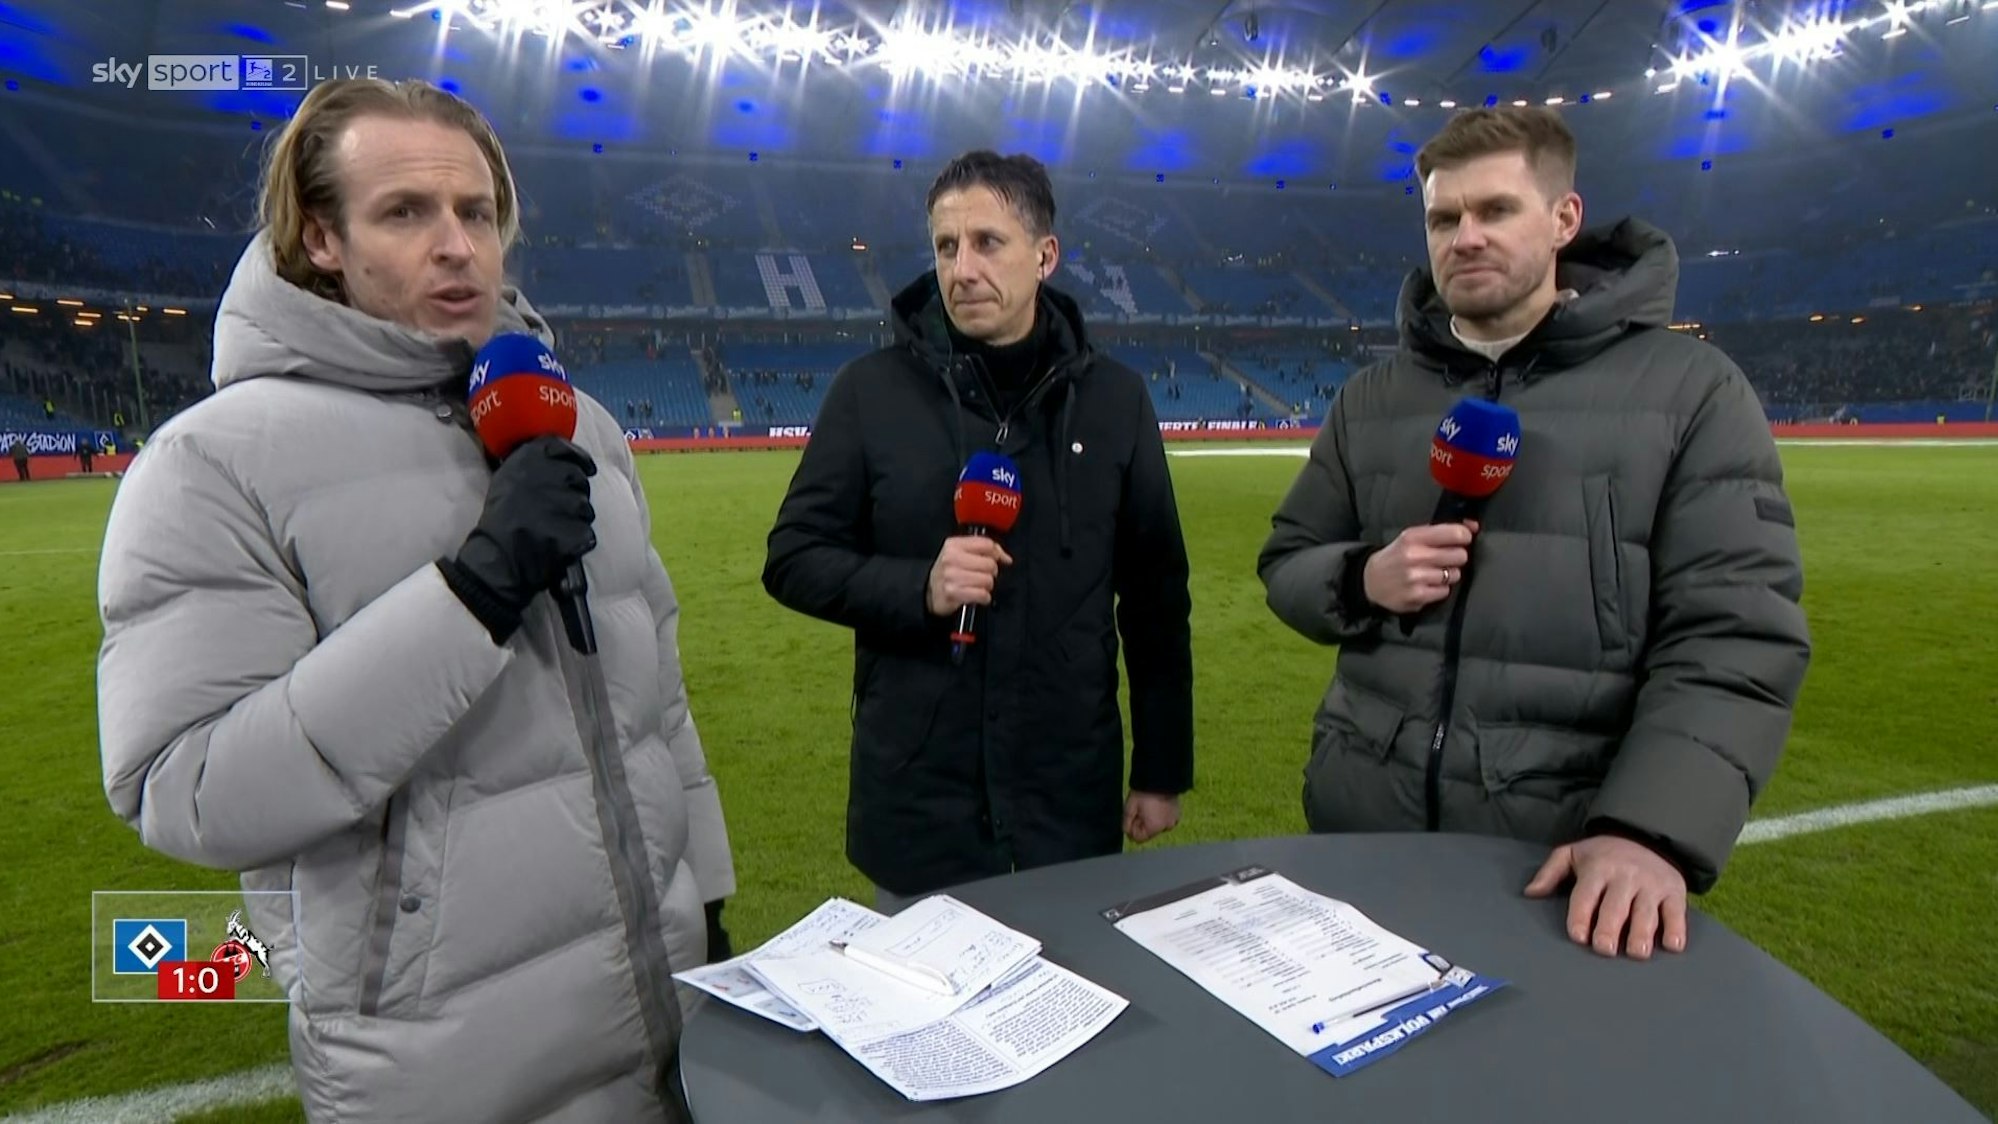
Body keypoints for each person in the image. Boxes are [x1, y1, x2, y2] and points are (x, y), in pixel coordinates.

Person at [95, 78, 733, 1123]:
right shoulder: (211, 466)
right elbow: (188, 787)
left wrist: (705, 891)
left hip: (665, 1021)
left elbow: (658, 704)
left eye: (476, 212)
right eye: (404, 212)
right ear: (322, 237)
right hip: (445, 1069)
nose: (456, 246)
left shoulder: (583, 426)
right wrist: (473, 592)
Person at [1257, 107, 1810, 961]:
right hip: (1361, 836)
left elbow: (1735, 634)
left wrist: (1648, 829)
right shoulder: (1371, 399)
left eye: (1496, 210)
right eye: (1444, 218)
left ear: (1563, 219)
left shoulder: (1692, 393)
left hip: (1560, 865)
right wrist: (1362, 577)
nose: (1465, 237)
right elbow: (1288, 560)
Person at [762, 150, 1194, 904]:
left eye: (987, 242)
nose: (961, 269)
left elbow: (1156, 598)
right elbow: (792, 557)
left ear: (1045, 256)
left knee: (1073, 978)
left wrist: (1160, 770)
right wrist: (919, 588)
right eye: (945, 246)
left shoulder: (1116, 403)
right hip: (921, 802)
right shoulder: (870, 393)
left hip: (1067, 798)